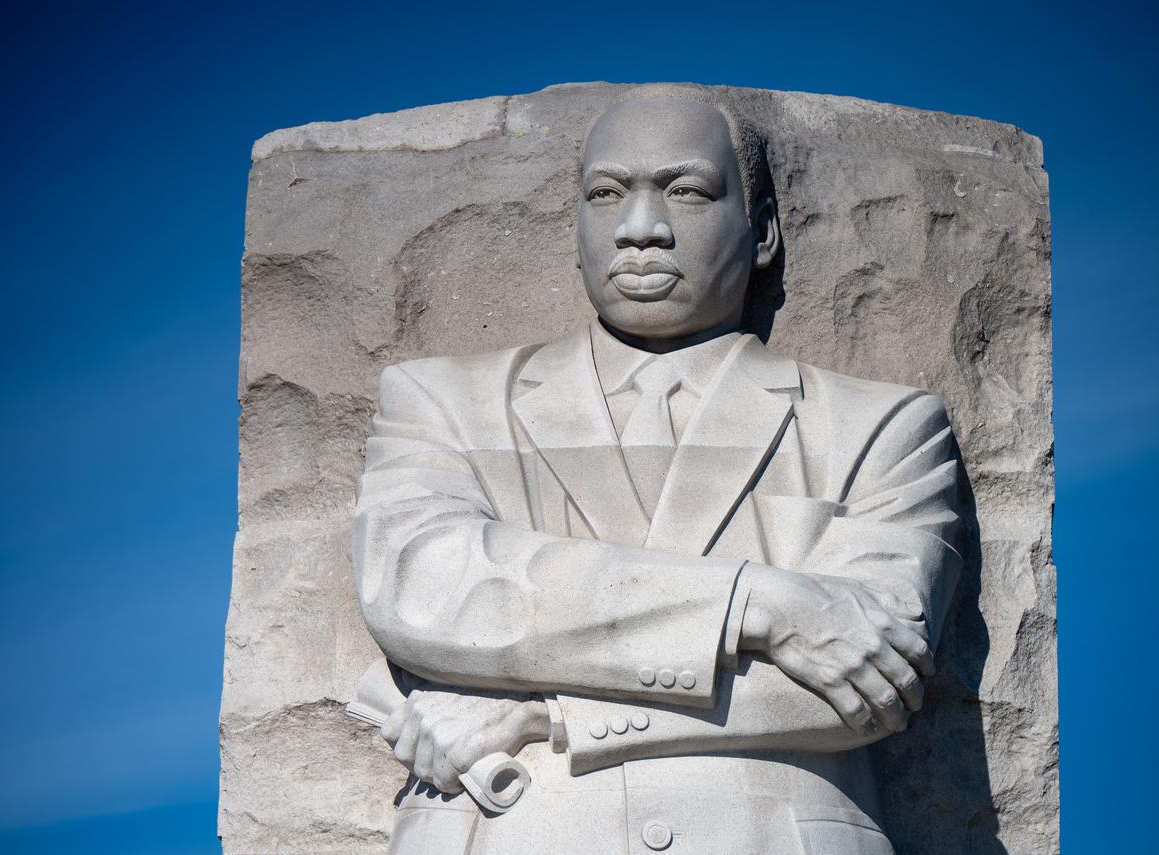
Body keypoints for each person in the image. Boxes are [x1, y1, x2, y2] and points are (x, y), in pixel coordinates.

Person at [352, 84, 967, 855]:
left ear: (764, 230)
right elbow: (429, 590)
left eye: (686, 191)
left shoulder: (881, 425)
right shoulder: (442, 402)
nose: (640, 230)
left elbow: (872, 683)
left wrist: (548, 714)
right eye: (606, 194)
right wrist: (759, 602)